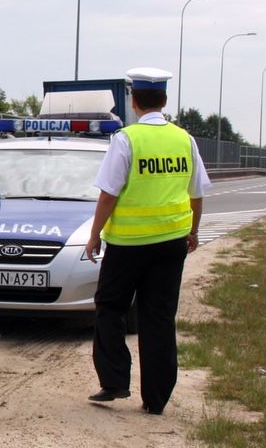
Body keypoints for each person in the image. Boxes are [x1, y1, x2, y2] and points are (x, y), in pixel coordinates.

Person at [83, 67, 211, 416]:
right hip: (171, 243)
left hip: (127, 244)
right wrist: (194, 231)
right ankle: (156, 399)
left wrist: (95, 234)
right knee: (159, 318)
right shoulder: (184, 140)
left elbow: (109, 193)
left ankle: (114, 382)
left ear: (134, 101)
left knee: (111, 307)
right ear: (165, 100)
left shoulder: (127, 139)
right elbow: (197, 193)